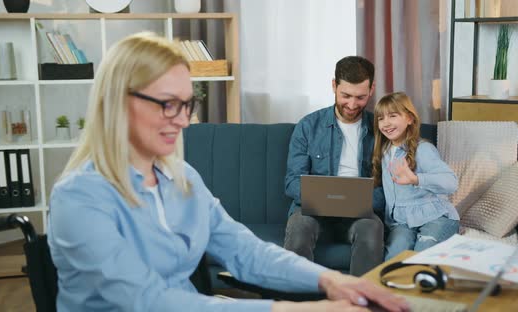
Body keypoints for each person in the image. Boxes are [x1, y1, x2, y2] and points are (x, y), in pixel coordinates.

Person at [46, 33, 409, 312]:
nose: (184, 120)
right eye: (168, 104)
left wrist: (333, 281)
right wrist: (286, 308)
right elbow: (147, 300)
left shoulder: (182, 179)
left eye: (187, 104)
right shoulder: (79, 197)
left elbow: (245, 251)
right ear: (119, 103)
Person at [284, 56, 385, 277]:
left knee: (372, 229)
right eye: (345, 95)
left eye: (360, 97)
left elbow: (390, 189)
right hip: (313, 212)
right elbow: (292, 182)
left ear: (371, 89)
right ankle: (296, 305)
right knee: (299, 226)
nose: (352, 104)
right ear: (334, 86)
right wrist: (325, 198)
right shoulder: (308, 126)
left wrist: (361, 200)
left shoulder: (381, 129)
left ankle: (359, 305)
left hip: (361, 215)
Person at [371, 92, 460, 261]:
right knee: (393, 261)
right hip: (401, 223)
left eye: (393, 116)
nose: (386, 123)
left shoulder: (423, 149)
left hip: (436, 218)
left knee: (422, 257)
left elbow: (451, 183)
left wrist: (415, 179)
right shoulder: (384, 152)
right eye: (380, 118)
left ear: (410, 118)